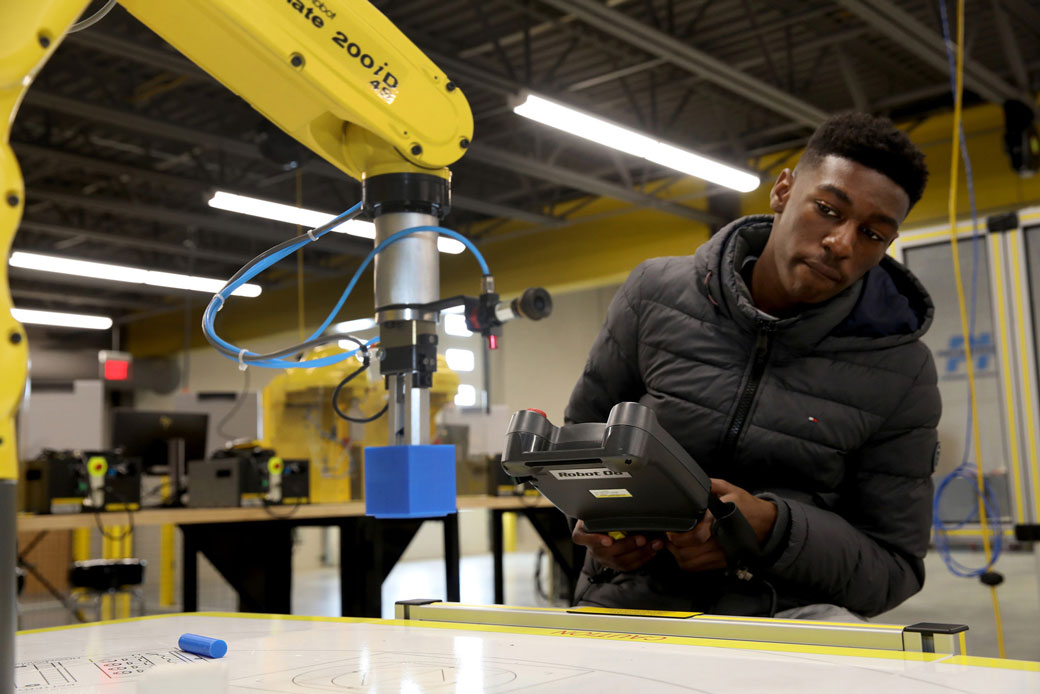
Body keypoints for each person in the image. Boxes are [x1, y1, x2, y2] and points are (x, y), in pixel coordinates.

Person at [565, 112, 937, 620]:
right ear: (783, 191)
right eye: (828, 209)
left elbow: (894, 569)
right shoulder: (653, 294)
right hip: (632, 602)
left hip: (787, 620)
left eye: (873, 234)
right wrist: (598, 527)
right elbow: (580, 443)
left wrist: (772, 529)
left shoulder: (901, 368)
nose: (843, 244)